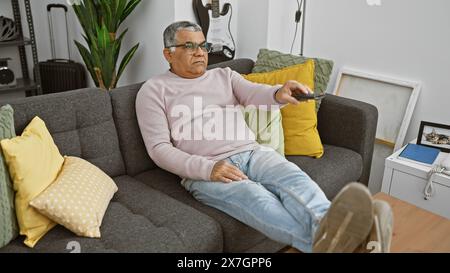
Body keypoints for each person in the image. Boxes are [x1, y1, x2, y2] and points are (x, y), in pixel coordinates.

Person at [136, 21, 393, 253]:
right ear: (168, 53)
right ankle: (357, 244)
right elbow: (159, 149)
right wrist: (208, 168)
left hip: (252, 153)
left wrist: (279, 93)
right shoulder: (153, 91)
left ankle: (341, 240)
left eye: (203, 45)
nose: (200, 52)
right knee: (259, 200)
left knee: (294, 180)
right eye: (189, 46)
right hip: (206, 171)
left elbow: (254, 92)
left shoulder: (223, 75)